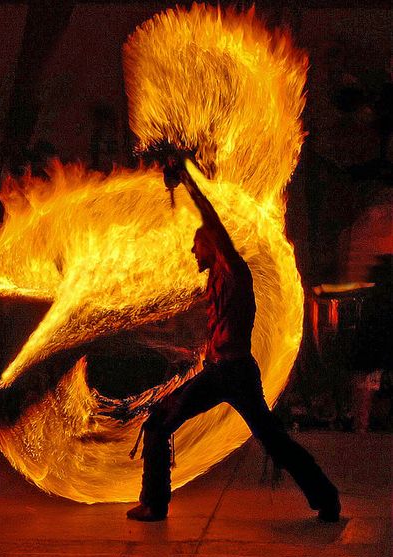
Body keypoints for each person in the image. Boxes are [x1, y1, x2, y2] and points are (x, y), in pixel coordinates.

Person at [127, 161, 341, 522]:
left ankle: (155, 504)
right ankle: (326, 498)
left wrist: (187, 180)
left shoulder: (234, 269)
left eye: (197, 245)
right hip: (226, 371)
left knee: (168, 423)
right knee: (265, 438)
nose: (192, 252)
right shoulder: (216, 280)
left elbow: (211, 221)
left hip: (234, 372)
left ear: (213, 246)